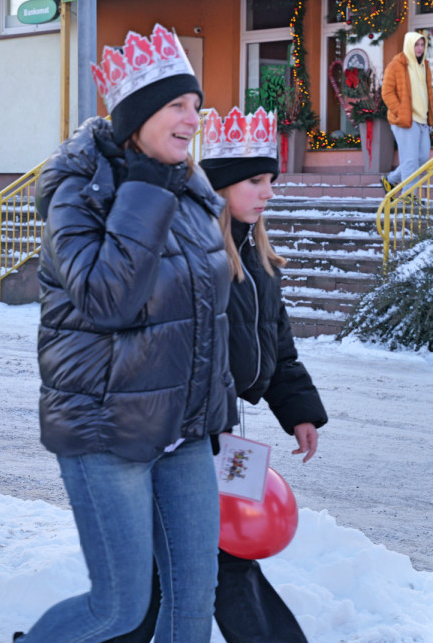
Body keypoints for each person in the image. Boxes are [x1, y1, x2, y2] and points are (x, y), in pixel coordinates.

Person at [16, 24, 234, 642]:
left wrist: (220, 407)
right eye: (177, 105)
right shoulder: (76, 193)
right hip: (106, 431)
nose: (194, 118)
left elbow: (206, 311)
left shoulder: (189, 188)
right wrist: (141, 189)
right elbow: (108, 299)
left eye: (196, 104)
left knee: (193, 605)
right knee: (119, 608)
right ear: (138, 114)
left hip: (184, 431)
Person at [120, 106, 330, 643]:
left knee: (180, 566)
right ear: (221, 187)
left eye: (270, 181)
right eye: (255, 181)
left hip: (221, 430)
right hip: (175, 435)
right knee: (211, 558)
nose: (267, 193)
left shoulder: (255, 260)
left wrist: (299, 411)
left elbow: (277, 347)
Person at [381, 31, 433, 194]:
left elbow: (428, 92)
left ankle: (390, 180)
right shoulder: (396, 65)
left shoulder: (424, 66)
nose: (419, 48)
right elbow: (387, 92)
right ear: (408, 45)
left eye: (422, 44)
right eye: (416, 44)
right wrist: (400, 111)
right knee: (410, 161)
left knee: (422, 159)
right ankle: (409, 199)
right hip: (404, 120)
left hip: (422, 121)